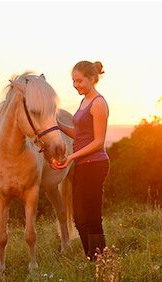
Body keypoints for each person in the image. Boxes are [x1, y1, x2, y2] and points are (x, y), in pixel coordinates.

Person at [53, 60, 110, 261]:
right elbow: (79, 133)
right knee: (78, 218)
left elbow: (98, 141)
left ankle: (101, 262)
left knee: (92, 218)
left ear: (92, 79)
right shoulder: (84, 101)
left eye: (79, 81)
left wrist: (71, 157)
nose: (76, 85)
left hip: (95, 164)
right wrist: (57, 124)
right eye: (74, 81)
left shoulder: (99, 103)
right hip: (82, 165)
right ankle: (92, 259)